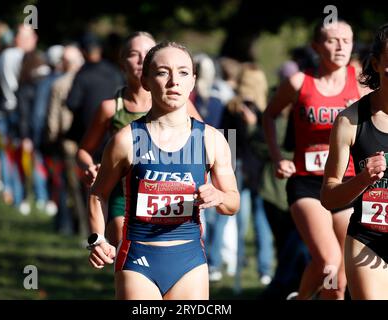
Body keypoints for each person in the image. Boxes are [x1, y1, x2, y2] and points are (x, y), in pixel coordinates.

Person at [87, 41, 239, 300]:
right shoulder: (126, 139)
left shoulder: (212, 139)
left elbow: (233, 202)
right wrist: (96, 239)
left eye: (182, 72)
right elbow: (98, 194)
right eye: (162, 72)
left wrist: (220, 196)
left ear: (192, 81)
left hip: (190, 261)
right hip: (138, 260)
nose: (173, 82)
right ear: (145, 80)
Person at [263, 19, 370, 300]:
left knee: (338, 281)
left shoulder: (359, 81)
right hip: (307, 183)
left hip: (346, 184)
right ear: (316, 46)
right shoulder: (299, 82)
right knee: (330, 262)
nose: (340, 47)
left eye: (346, 40)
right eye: (332, 40)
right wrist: (277, 158)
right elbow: (269, 115)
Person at [77, 32, 201, 247]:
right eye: (134, 54)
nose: (141, 59)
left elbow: (206, 147)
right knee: (128, 247)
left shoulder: (181, 105)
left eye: (147, 54)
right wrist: (90, 168)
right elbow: (83, 151)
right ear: (122, 63)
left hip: (168, 193)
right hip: (122, 194)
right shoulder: (110, 108)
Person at [321, 23, 388, 299]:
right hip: (367, 240)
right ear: (376, 63)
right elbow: (328, 197)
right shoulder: (350, 121)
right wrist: (363, 179)